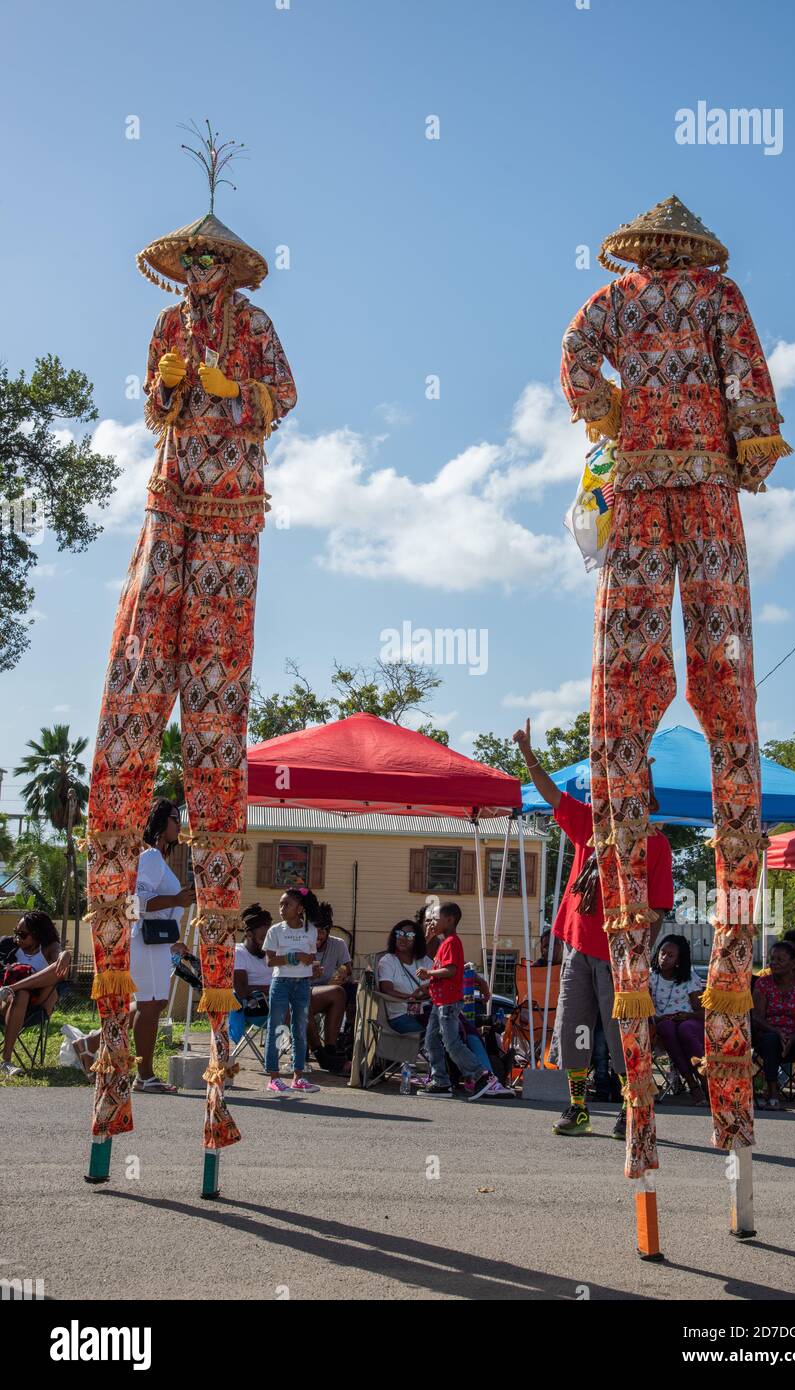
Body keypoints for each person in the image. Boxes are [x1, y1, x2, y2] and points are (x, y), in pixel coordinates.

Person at [562, 195, 792, 1174]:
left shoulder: (614, 299)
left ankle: (676, 1070)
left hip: (659, 478)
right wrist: (750, 441)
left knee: (640, 695)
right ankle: (713, 1009)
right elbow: (745, 369)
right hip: (695, 482)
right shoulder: (714, 293)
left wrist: (612, 415)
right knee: (714, 689)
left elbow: (576, 363)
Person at [84, 123, 297, 1151]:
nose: (205, 276)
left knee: (217, 725)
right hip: (173, 505)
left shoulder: (256, 327)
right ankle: (115, 1063)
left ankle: (212, 1069)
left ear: (235, 270)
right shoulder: (169, 324)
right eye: (195, 261)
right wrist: (178, 384)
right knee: (129, 710)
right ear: (183, 266)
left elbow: (284, 399)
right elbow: (148, 401)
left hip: (235, 515)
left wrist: (235, 391)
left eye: (217, 262)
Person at [514, 718, 672, 1140]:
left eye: (633, 790)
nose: (624, 797)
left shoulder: (655, 844)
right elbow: (553, 796)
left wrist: (639, 957)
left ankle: (629, 1109)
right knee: (574, 1029)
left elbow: (658, 907)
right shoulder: (592, 825)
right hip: (578, 948)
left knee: (623, 1037)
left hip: (621, 956)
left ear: (645, 796)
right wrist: (528, 754)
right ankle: (578, 1107)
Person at [130, 800, 196, 1094]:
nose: (179, 826)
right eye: (175, 819)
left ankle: (142, 1073)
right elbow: (137, 904)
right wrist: (177, 900)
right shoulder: (152, 858)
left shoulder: (157, 859)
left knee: (151, 1005)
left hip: (155, 943)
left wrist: (173, 942)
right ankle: (143, 1075)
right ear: (161, 823)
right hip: (145, 942)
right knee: (150, 1005)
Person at [415, 903, 514, 1099]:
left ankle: (482, 1076)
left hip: (449, 1004)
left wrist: (429, 973)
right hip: (439, 1002)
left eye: (435, 918)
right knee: (431, 1041)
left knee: (452, 1043)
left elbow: (451, 970)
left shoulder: (452, 942)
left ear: (449, 920)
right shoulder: (443, 943)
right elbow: (444, 970)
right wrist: (431, 981)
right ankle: (441, 1082)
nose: (432, 922)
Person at [263, 888, 321, 1096]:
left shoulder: (311, 930)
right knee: (277, 1027)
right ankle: (274, 1077)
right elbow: (270, 961)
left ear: (300, 909)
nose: (282, 908)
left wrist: (314, 968)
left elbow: (311, 960)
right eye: (281, 904)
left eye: (287, 904)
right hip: (281, 982)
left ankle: (298, 1076)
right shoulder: (275, 931)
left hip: (303, 983)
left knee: (300, 1028)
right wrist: (294, 957)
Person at [0, 912, 72, 1077]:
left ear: (37, 934)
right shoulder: (7, 945)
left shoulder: (49, 947)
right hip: (7, 1005)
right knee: (22, 994)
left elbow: (60, 964)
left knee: (57, 969)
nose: (17, 937)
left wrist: (66, 955)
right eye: (15, 932)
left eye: (23, 934)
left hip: (38, 1006)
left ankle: (12, 987)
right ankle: (6, 1061)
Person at [752, 942, 795, 1114]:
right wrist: (777, 1032)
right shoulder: (763, 984)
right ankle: (773, 1095)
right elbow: (757, 1016)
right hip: (769, 1035)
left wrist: (792, 1037)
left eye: (780, 960)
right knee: (770, 1040)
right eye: (772, 959)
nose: (773, 963)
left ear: (794, 964)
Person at [650, 934, 705, 1105]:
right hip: (662, 1023)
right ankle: (691, 1083)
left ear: (679, 960)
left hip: (688, 1020)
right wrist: (658, 1019)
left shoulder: (689, 978)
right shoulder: (649, 978)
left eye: (670, 955)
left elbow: (701, 1011)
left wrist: (687, 1016)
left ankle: (704, 1078)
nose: (664, 958)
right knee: (667, 1028)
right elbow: (647, 1011)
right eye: (662, 953)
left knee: (684, 1029)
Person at [308, 903, 353, 1073]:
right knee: (302, 1003)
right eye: (314, 930)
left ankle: (331, 1048)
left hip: (326, 993)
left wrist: (344, 975)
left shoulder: (338, 944)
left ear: (328, 931)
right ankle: (322, 1055)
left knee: (340, 992)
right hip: (301, 990)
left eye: (323, 930)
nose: (318, 935)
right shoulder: (299, 944)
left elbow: (347, 970)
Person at [376, 919, 433, 1035]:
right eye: (400, 934)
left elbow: (437, 983)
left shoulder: (424, 961)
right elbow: (386, 989)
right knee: (429, 1034)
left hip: (426, 1011)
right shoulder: (388, 960)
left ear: (417, 940)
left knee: (451, 1028)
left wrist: (428, 990)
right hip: (400, 1015)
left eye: (409, 935)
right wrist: (411, 997)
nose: (403, 938)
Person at [229, 903, 273, 1045]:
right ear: (248, 934)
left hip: (281, 1000)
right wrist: (272, 988)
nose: (267, 944)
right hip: (257, 1007)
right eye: (262, 939)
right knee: (297, 1012)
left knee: (334, 994)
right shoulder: (239, 953)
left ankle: (323, 1051)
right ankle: (279, 1056)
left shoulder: (272, 952)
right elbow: (241, 990)